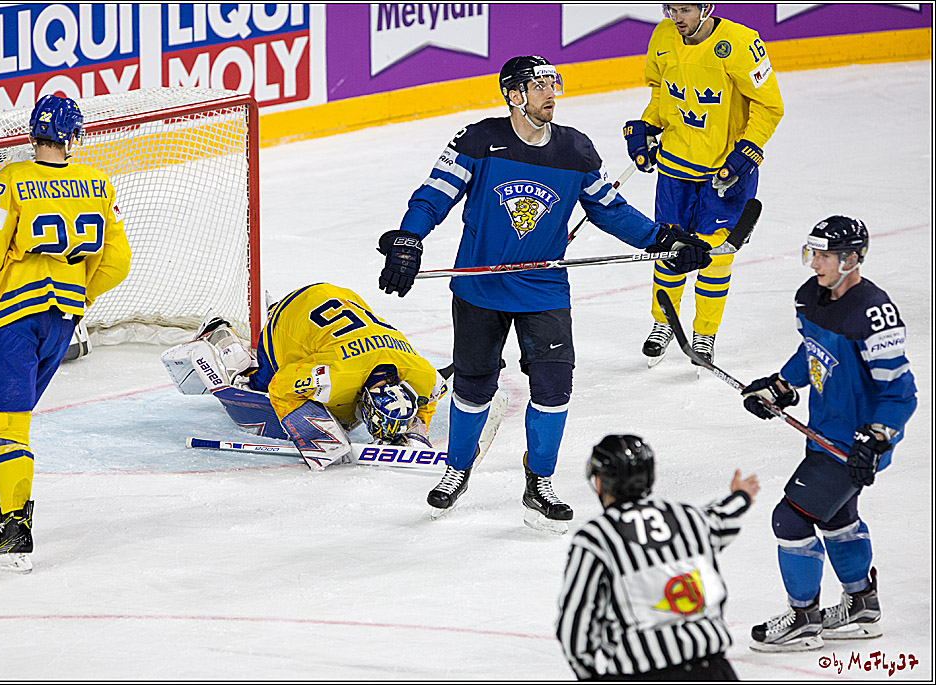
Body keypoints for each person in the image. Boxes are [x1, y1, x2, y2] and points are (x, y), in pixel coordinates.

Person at [377, 55, 712, 534]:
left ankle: (540, 483)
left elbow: (610, 209)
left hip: (544, 290)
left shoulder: (575, 150)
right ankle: (457, 469)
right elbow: (434, 195)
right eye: (539, 85)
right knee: (473, 387)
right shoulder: (477, 141)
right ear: (514, 96)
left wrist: (663, 239)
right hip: (480, 287)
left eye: (554, 83)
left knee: (554, 389)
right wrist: (409, 239)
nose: (551, 92)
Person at [0, 94, 131, 573]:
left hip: (13, 319)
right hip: (61, 323)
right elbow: (118, 262)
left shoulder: (10, 181)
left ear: (33, 133)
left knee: (8, 424)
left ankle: (15, 532)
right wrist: (79, 296)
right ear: (74, 137)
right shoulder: (98, 184)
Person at [741, 216, 916, 651]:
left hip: (854, 444)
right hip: (825, 432)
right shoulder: (811, 297)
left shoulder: (873, 313)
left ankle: (804, 618)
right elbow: (813, 352)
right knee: (837, 517)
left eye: (824, 255)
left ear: (851, 259)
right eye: (813, 253)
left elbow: (901, 392)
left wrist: (876, 438)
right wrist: (781, 385)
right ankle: (862, 605)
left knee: (790, 518)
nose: (815, 263)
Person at [624, 4, 784, 367]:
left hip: (725, 171)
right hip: (675, 167)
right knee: (669, 247)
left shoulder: (741, 42)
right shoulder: (663, 35)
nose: (676, 18)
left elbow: (769, 105)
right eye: (670, 9)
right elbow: (662, 91)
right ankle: (664, 322)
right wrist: (647, 126)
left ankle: (705, 333)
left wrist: (749, 148)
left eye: (685, 9)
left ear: (706, 6)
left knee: (715, 255)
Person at [162, 283, 449, 470]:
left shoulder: (424, 376)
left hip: (340, 299)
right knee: (256, 387)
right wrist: (318, 435)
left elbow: (431, 395)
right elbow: (282, 386)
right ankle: (220, 334)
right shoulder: (333, 376)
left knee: (337, 405)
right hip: (288, 320)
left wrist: (417, 430)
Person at [556, 434, 759, 680]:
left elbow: (575, 624)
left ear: (599, 483)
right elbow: (723, 516)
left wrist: (588, 675)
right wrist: (741, 496)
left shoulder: (596, 537)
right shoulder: (689, 518)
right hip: (714, 671)